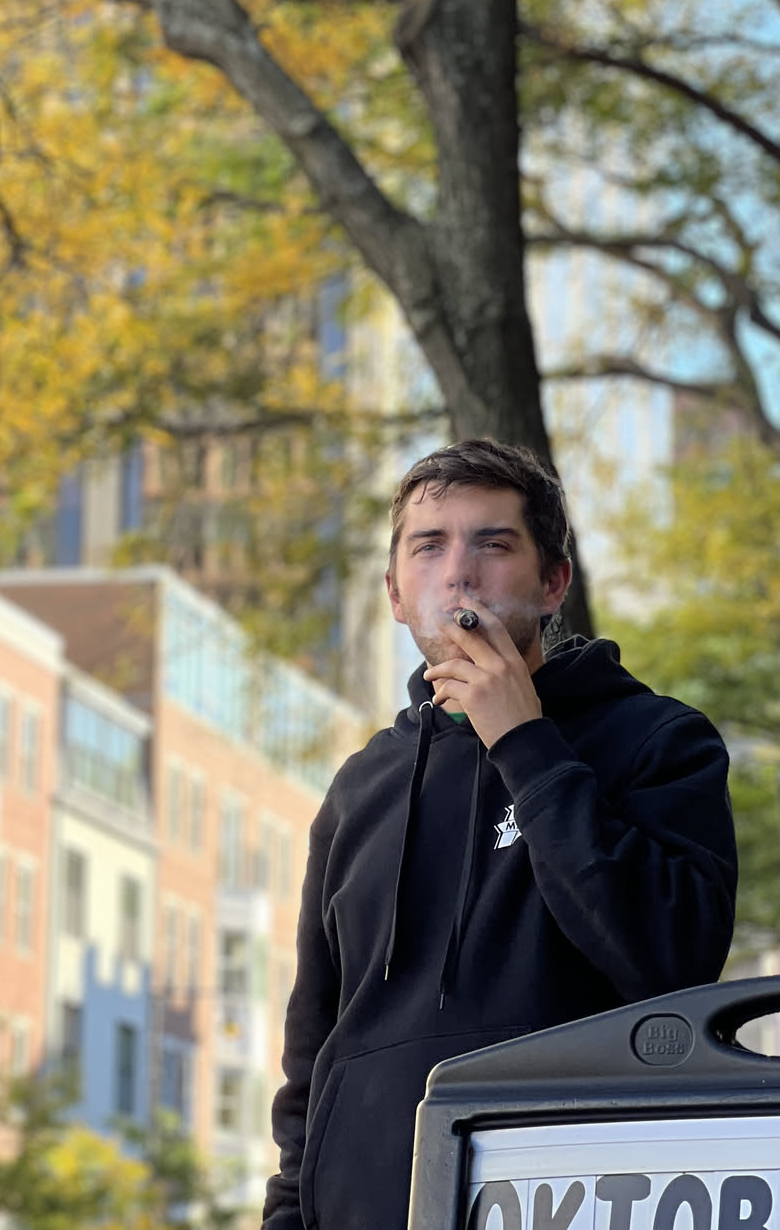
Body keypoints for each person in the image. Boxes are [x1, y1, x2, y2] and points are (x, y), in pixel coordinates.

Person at [264, 439, 738, 1230]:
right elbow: (313, 1057)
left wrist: (525, 743)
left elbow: (671, 959)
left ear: (554, 584)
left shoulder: (658, 740)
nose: (459, 573)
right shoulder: (360, 788)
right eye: (429, 547)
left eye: (493, 544)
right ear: (394, 593)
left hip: (576, 1203)